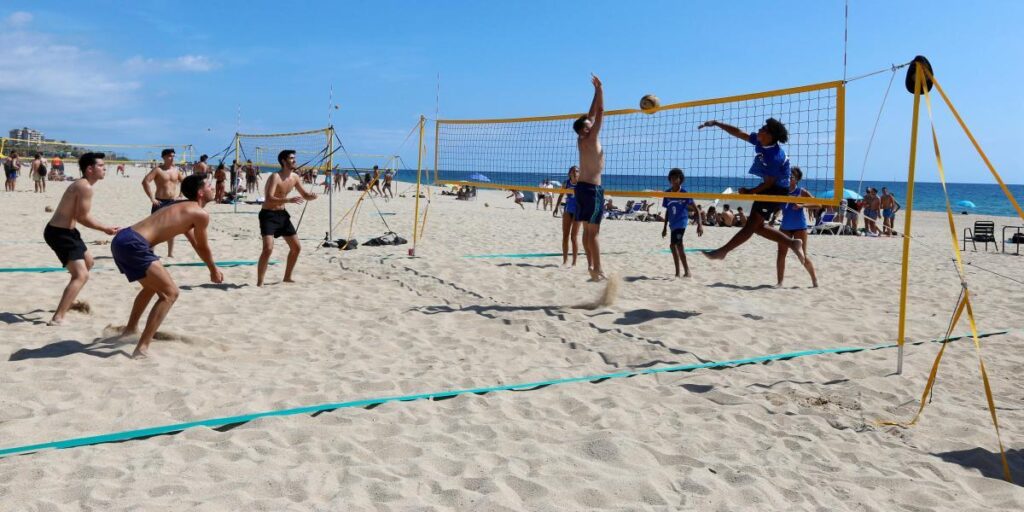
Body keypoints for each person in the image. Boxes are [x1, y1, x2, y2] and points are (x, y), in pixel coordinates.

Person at [113, 174, 222, 358]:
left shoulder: (179, 205)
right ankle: (142, 348)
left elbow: (194, 241)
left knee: (150, 287)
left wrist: (211, 267)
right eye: (209, 185)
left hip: (122, 239)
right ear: (200, 192)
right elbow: (203, 246)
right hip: (135, 244)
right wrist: (213, 269)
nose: (213, 188)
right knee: (170, 293)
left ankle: (130, 329)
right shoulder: (200, 213)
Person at [697, 118, 806, 264]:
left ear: (770, 135)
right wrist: (717, 123)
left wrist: (750, 192)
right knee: (757, 227)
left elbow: (769, 183)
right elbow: (739, 133)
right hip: (772, 187)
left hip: (778, 190)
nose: (760, 129)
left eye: (764, 128)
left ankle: (722, 251)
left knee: (750, 226)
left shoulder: (774, 156)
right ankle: (793, 243)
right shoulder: (761, 141)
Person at [43, 152, 121, 325]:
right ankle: (58, 317)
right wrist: (105, 229)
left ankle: (68, 299)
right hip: (59, 233)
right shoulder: (84, 186)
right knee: (81, 275)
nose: (104, 168)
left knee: (89, 262)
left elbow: (79, 217)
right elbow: (82, 217)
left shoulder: (83, 184)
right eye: (101, 165)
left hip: (69, 232)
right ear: (90, 169)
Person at [257, 150, 318, 287]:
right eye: (291, 158)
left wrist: (311, 196)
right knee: (268, 249)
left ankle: (287, 277)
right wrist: (289, 200)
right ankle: (260, 282)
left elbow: (304, 195)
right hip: (268, 215)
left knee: (296, 248)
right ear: (284, 161)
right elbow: (268, 198)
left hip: (282, 215)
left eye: (294, 158)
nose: (294, 160)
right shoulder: (275, 177)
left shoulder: (295, 177)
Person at [573, 74, 607, 281]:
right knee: (593, 233)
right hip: (593, 190)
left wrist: (594, 92)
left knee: (587, 231)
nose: (592, 122)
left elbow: (591, 114)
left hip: (581, 189)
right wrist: (601, 89)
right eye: (589, 123)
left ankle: (591, 267)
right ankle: (599, 269)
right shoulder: (591, 136)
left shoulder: (581, 139)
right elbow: (600, 112)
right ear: (586, 128)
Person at [776, 167, 818, 287]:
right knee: (781, 254)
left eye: (792, 177)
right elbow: (778, 206)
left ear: (797, 179)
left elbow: (817, 204)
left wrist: (802, 205)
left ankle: (814, 279)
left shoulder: (801, 191)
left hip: (800, 227)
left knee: (803, 256)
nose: (789, 178)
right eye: (788, 176)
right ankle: (780, 282)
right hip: (785, 226)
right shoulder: (783, 191)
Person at [141, 149, 185, 257]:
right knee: (155, 228)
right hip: (159, 202)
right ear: (164, 157)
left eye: (173, 156)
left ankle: (170, 254)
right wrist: (152, 198)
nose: (172, 158)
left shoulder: (176, 170)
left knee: (172, 228)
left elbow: (184, 182)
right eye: (170, 156)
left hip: (172, 202)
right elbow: (145, 181)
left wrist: (181, 194)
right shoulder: (158, 170)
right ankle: (151, 252)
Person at [661, 168, 703, 278]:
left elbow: (696, 209)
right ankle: (687, 272)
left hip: (682, 222)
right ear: (670, 179)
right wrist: (664, 227)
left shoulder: (684, 193)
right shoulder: (667, 193)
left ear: (680, 180)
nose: (674, 180)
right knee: (679, 246)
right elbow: (667, 211)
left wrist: (700, 225)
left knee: (673, 245)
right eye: (672, 178)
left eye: (676, 178)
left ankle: (677, 273)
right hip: (672, 224)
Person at [553, 166, 584, 267]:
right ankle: (565, 261)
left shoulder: (581, 183)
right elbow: (561, 195)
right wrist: (556, 207)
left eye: (577, 171)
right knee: (565, 236)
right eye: (573, 171)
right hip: (568, 209)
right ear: (570, 173)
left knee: (573, 237)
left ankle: (574, 262)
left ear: (579, 173)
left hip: (578, 211)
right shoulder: (566, 183)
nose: (575, 172)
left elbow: (586, 196)